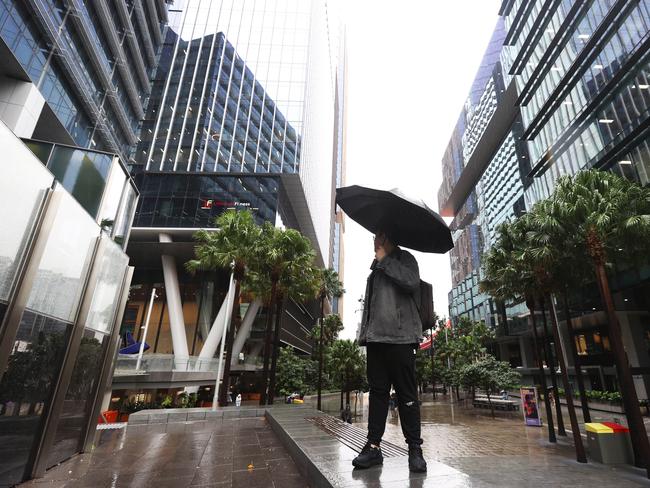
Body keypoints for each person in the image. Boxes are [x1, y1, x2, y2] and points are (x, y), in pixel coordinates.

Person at [352, 228, 427, 473]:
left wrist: (384, 260)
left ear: (385, 238)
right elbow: (371, 307)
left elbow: (411, 282)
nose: (373, 241)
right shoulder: (375, 268)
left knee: (406, 395)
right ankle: (373, 447)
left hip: (401, 339)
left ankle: (414, 449)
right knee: (378, 394)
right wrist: (366, 336)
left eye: (376, 236)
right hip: (376, 340)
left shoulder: (405, 259)